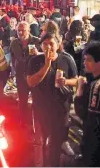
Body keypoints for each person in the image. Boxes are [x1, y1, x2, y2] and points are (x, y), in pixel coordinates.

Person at [27, 33, 77, 167]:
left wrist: (66, 81)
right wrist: (47, 65)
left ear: (58, 44)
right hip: (40, 108)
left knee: (56, 142)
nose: (48, 47)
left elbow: (76, 80)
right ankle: (40, 165)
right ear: (41, 45)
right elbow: (31, 82)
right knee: (40, 142)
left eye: (51, 44)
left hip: (60, 109)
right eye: (45, 44)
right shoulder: (35, 60)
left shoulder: (67, 59)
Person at [74, 42, 100, 167]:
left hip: (95, 143)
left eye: (89, 60)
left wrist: (79, 90)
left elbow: (85, 116)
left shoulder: (98, 87)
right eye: (85, 59)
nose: (85, 62)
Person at [10, 22, 40, 133]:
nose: (21, 33)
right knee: (22, 100)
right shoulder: (14, 43)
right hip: (20, 76)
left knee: (37, 100)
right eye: (19, 30)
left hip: (34, 75)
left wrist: (38, 53)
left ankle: (36, 123)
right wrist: (14, 71)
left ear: (29, 30)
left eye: (23, 30)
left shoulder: (37, 41)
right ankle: (22, 121)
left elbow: (44, 56)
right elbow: (13, 58)